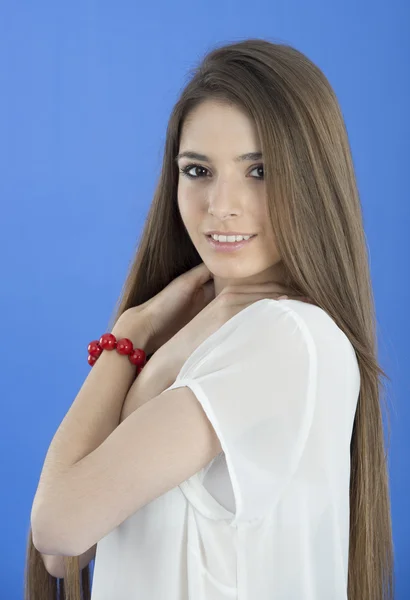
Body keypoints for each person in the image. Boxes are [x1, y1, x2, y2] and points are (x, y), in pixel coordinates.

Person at [25, 38, 394, 600]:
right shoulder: (216, 331)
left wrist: (127, 338)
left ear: (311, 180)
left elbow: (59, 525)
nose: (222, 205)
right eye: (198, 170)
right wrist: (148, 339)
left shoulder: (285, 338)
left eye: (260, 170)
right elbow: (60, 555)